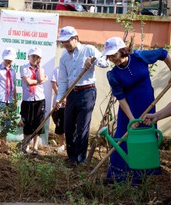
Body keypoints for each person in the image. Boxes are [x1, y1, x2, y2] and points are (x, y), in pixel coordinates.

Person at [102, 36, 171, 184]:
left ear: (122, 50)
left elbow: (163, 54)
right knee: (123, 138)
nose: (112, 59)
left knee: (145, 139)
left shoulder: (139, 57)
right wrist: (132, 118)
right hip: (128, 110)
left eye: (114, 55)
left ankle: (139, 178)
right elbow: (121, 98)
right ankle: (117, 177)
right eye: (109, 56)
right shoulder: (113, 74)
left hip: (147, 105)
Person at [54, 26, 109, 167]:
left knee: (82, 127)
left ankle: (79, 159)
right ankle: (71, 156)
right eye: (62, 42)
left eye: (66, 41)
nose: (64, 44)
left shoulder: (88, 50)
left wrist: (93, 59)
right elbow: (62, 80)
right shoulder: (64, 57)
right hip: (71, 93)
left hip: (87, 92)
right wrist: (59, 99)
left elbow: (105, 63)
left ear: (76, 39)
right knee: (68, 126)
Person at [20, 47, 47, 155]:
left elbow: (40, 78)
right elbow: (28, 82)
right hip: (28, 100)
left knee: (38, 123)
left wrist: (39, 68)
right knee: (27, 123)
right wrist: (41, 81)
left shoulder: (41, 69)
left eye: (38, 57)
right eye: (33, 56)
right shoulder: (24, 68)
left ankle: (35, 147)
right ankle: (25, 146)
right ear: (28, 57)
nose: (35, 58)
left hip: (39, 99)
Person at [0, 47, 17, 155]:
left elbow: (14, 86)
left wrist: (15, 100)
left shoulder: (13, 71)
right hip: (0, 100)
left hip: (9, 100)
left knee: (6, 124)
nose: (8, 61)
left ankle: (3, 146)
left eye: (10, 59)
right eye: (7, 59)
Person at [51, 67, 66, 153]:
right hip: (58, 103)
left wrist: (67, 98)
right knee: (59, 123)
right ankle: (61, 144)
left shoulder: (73, 70)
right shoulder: (57, 70)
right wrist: (61, 97)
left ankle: (69, 145)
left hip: (70, 102)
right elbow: (54, 84)